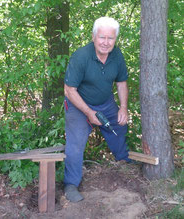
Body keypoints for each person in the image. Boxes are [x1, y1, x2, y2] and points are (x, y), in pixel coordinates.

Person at [63, 17, 131, 202]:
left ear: (115, 39)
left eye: (110, 38)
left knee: (119, 124)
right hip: (79, 105)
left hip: (105, 102)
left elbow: (122, 82)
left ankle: (124, 161)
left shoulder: (117, 55)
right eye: (102, 37)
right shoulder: (81, 57)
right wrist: (88, 113)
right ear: (93, 37)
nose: (106, 42)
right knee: (76, 143)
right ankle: (70, 184)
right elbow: (69, 90)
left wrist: (123, 107)